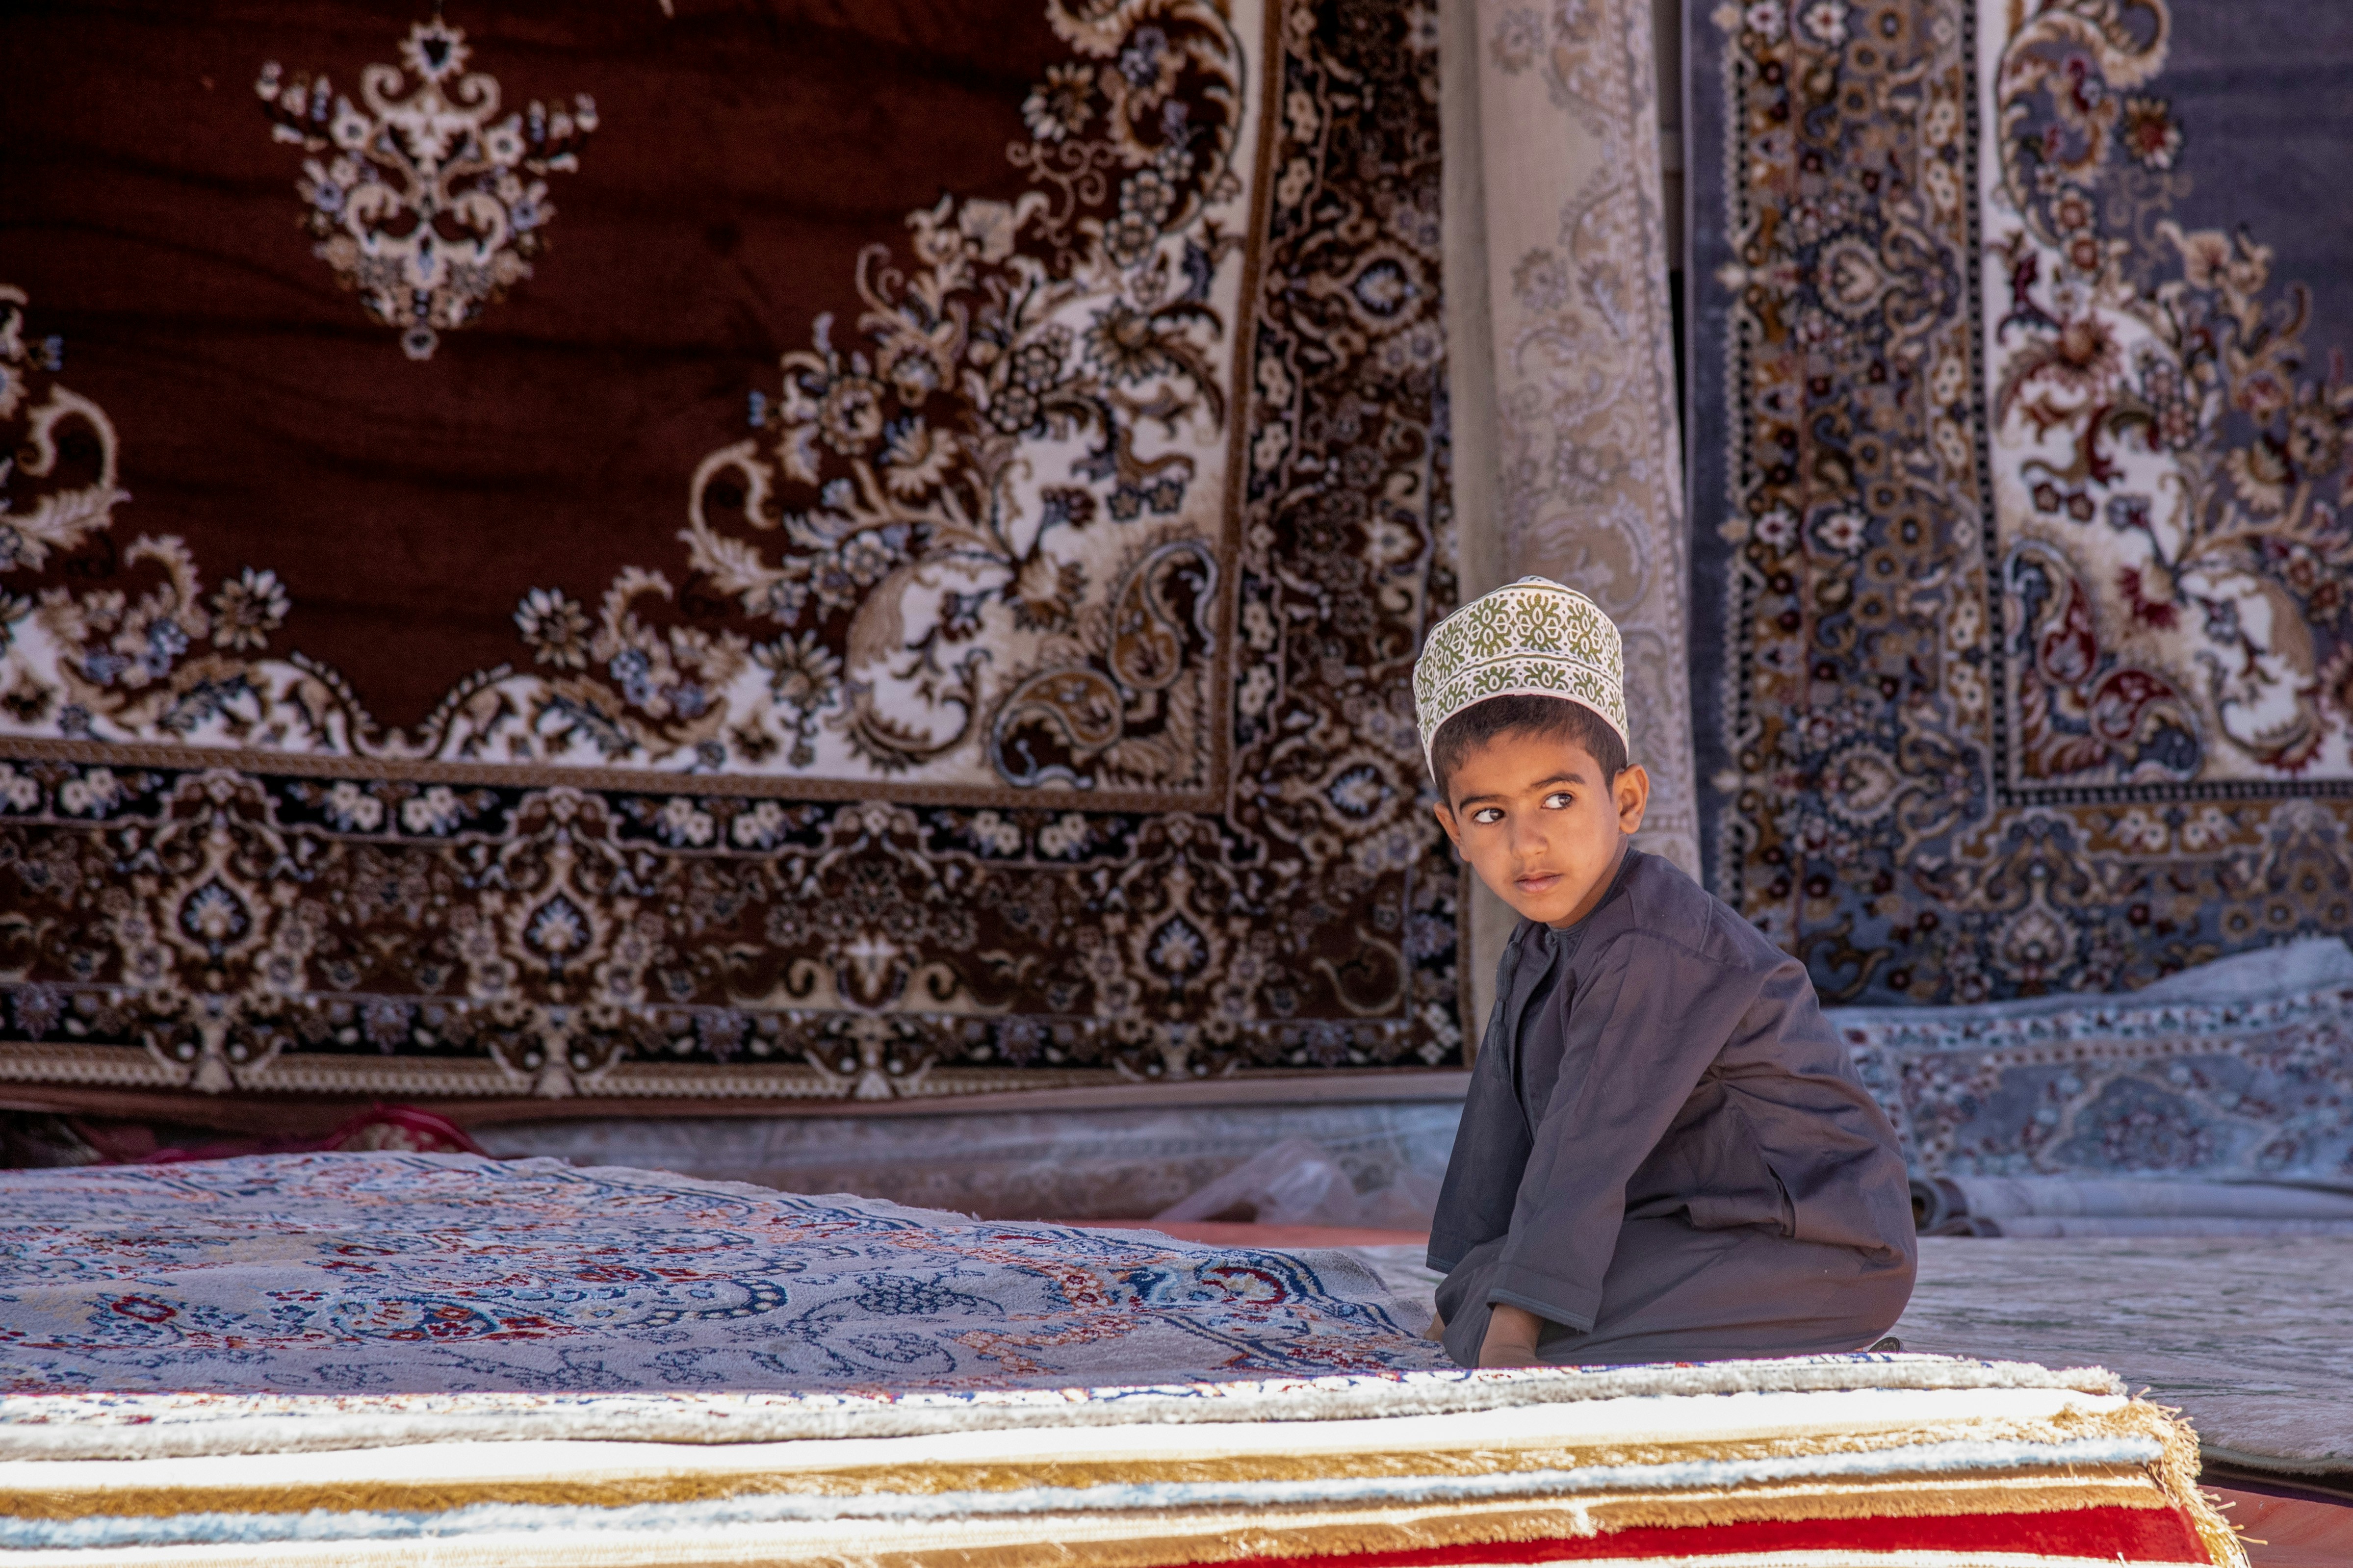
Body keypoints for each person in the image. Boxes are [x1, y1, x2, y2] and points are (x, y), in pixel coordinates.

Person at [1414, 576, 1915, 1368]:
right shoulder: (1541, 940)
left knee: (1516, 1318)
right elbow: (1499, 1125)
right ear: (1453, 828)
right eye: (1489, 814)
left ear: (1626, 799)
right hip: (1689, 1223)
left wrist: (1509, 1334)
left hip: (1819, 1249)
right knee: (1483, 1295)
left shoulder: (1651, 943)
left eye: (1556, 799)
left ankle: (1813, 1328)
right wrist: (1463, 1284)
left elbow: (1587, 1143)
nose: (1525, 842)